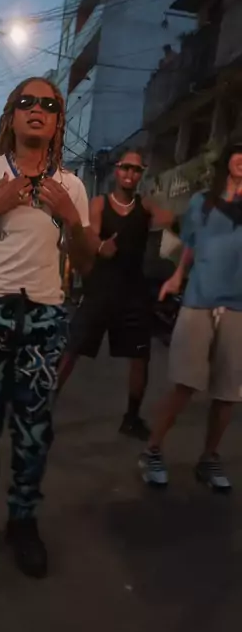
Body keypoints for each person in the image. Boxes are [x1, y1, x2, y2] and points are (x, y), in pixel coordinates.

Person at [0, 76, 95, 578]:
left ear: (57, 122)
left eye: (48, 105)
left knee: (34, 433)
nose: (37, 109)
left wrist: (71, 218)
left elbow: (88, 264)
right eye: (27, 101)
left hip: (44, 318)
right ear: (11, 115)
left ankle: (23, 520)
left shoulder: (71, 186)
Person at [139, 139, 242, 492]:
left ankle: (209, 459)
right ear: (228, 160)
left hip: (238, 308)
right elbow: (191, 247)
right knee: (185, 384)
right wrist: (177, 276)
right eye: (239, 153)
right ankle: (152, 450)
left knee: (228, 393)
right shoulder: (203, 202)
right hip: (200, 301)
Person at [58, 148, 174, 439]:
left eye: (136, 169)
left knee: (140, 357)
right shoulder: (100, 203)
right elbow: (90, 232)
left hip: (134, 292)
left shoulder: (145, 206)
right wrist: (100, 247)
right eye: (125, 168)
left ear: (141, 174)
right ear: (116, 170)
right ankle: (41, 409)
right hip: (101, 289)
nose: (130, 174)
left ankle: (131, 418)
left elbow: (171, 220)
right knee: (72, 350)